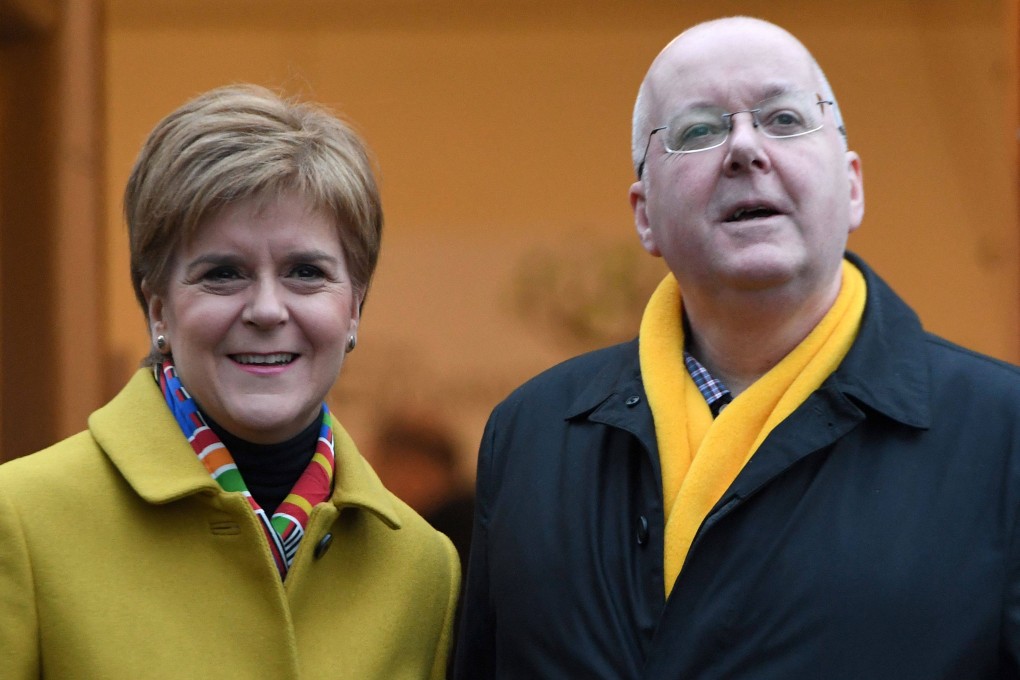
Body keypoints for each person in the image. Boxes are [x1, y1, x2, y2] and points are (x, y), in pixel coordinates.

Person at [454, 16, 1020, 679]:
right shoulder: (533, 436)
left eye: (783, 120)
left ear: (854, 185)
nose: (746, 149)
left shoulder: (1000, 434)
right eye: (699, 130)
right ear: (644, 215)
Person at [0, 84, 460, 679]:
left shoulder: (422, 566)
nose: (267, 309)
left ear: (353, 308)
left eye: (305, 272)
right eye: (222, 273)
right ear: (158, 308)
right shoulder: (20, 518)